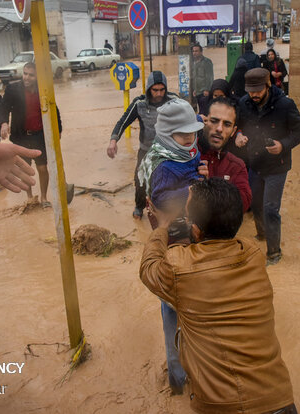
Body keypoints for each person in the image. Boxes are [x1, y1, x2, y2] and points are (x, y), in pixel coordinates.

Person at [140, 177, 296, 414]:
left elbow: (148, 268)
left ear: (195, 229)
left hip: (225, 407)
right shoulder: (252, 253)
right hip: (280, 399)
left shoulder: (178, 267)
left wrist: (161, 227)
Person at [136, 98, 205, 395]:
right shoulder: (163, 164)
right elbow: (162, 199)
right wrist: (191, 189)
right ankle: (177, 377)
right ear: (166, 135)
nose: (190, 139)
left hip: (192, 238)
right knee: (172, 313)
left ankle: (194, 367)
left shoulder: (187, 150)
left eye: (192, 133)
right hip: (174, 245)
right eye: (182, 134)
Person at [235, 68, 300, 265]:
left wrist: (283, 145)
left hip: (277, 165)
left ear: (268, 85)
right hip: (255, 163)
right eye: (251, 91)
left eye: (258, 90)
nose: (254, 95)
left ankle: (274, 253)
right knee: (255, 204)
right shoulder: (244, 103)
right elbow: (238, 125)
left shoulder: (285, 105)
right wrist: (238, 135)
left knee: (270, 209)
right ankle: (263, 233)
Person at [0, 62, 71, 207]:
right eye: (25, 73)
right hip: (21, 136)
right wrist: (4, 123)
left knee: (42, 168)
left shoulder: (43, 90)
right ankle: (30, 197)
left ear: (37, 77)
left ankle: (44, 198)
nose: (26, 77)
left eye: (31, 75)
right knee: (25, 168)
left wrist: (58, 130)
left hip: (39, 136)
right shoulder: (13, 89)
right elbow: (4, 108)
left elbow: (54, 109)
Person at [107, 71, 177, 219]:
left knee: (170, 181)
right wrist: (113, 141)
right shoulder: (139, 104)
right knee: (140, 180)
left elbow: (187, 121)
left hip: (169, 151)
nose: (159, 93)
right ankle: (139, 207)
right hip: (146, 151)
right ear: (148, 89)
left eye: (162, 90)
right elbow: (123, 122)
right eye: (155, 90)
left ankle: (168, 211)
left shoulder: (174, 101)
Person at [198, 97, 252, 212]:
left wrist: (209, 188)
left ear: (233, 131)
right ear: (204, 121)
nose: (219, 128)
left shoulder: (237, 166)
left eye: (227, 124)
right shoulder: (184, 154)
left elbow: (243, 202)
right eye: (214, 121)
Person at [190, 44, 214, 116]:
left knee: (204, 112)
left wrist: (207, 89)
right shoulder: (193, 63)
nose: (194, 53)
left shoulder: (207, 62)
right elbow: (194, 77)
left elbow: (210, 76)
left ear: (201, 52)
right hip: (197, 92)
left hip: (204, 92)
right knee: (200, 110)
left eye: (196, 51)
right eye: (193, 51)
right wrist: (194, 89)